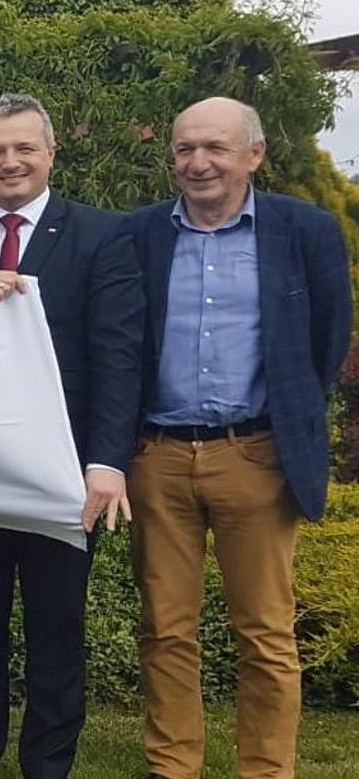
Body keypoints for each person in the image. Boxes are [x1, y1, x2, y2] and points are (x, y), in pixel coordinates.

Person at [0, 94, 145, 779]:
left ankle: (48, 761)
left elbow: (119, 355)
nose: (9, 161)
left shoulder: (103, 236)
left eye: (23, 148)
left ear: (50, 153)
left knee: (57, 623)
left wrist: (107, 462)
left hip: (62, 468)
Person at [123, 97, 352, 779]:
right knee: (165, 628)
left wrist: (287, 427)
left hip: (255, 455)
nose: (198, 163)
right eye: (185, 149)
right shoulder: (139, 234)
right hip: (158, 457)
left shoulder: (304, 230)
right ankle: (173, 766)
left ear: (253, 155)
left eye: (215, 148)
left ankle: (268, 769)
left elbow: (326, 339)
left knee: (266, 632)